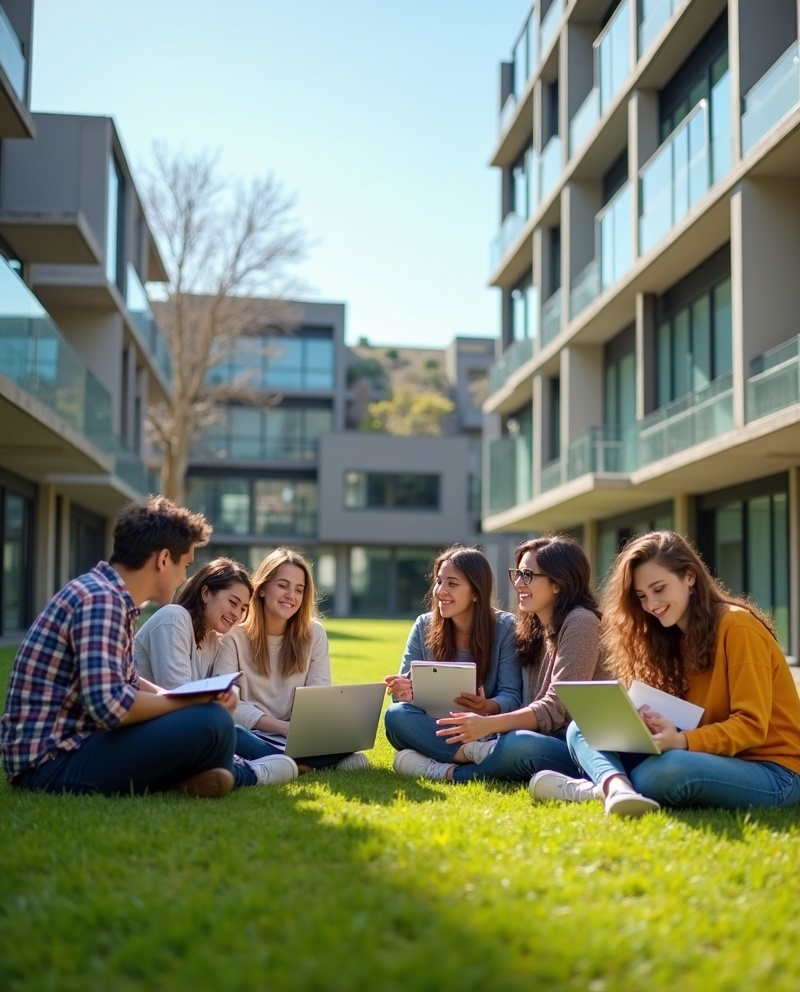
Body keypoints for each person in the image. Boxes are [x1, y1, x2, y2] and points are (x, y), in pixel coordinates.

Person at [531, 530, 800, 817]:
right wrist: (649, 722)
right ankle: (617, 788)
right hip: (707, 755)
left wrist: (682, 741)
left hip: (774, 771)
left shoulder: (738, 627)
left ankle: (594, 790)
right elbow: (690, 717)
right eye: (642, 596)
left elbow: (752, 726)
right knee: (583, 727)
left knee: (662, 773)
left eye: (659, 589)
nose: (651, 605)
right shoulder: (667, 637)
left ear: (690, 576)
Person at [1, 496, 239, 798]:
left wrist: (188, 695)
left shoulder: (110, 597)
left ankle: (192, 776)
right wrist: (190, 703)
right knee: (213, 723)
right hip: (49, 763)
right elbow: (111, 706)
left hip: (78, 744)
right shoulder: (101, 601)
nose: (184, 578)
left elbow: (126, 679)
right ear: (164, 559)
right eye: (186, 565)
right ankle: (237, 773)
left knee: (212, 720)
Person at [432, 535, 602, 785]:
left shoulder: (581, 622)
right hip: (541, 738)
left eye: (528, 576)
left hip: (580, 748)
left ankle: (450, 773)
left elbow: (557, 708)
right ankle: (473, 755)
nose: (519, 584)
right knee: (399, 717)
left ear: (558, 583)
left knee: (518, 744)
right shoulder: (534, 627)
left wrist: (488, 724)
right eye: (518, 574)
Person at [135, 557, 298, 786]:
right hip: (147, 726)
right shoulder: (174, 618)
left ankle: (289, 760)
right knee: (226, 727)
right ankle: (293, 761)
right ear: (205, 593)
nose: (237, 614)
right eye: (233, 602)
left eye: (243, 608)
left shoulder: (213, 639)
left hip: (178, 727)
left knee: (227, 726)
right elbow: (179, 697)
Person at [217, 547, 369, 773]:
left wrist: (302, 731)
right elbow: (229, 705)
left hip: (300, 737)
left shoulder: (313, 633)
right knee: (228, 731)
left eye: (299, 590)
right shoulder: (232, 637)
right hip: (254, 734)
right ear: (261, 589)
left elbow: (319, 693)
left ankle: (284, 763)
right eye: (282, 586)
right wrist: (282, 728)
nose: (291, 596)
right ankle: (303, 765)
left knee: (347, 740)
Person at [384, 544, 522, 779]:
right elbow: (403, 696)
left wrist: (485, 706)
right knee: (395, 716)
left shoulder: (505, 628)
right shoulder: (424, 625)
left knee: (405, 748)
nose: (440, 591)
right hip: (430, 725)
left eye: (452, 584)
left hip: (480, 730)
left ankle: (440, 768)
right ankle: (474, 754)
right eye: (439, 582)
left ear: (476, 592)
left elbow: (512, 696)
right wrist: (402, 691)